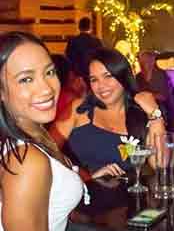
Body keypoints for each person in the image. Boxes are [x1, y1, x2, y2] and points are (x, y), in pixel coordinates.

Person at [0, 31, 174, 231]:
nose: (45, 88)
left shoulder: (35, 133)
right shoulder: (27, 159)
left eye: (49, 72)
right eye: (26, 79)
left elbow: (160, 165)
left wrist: (84, 175)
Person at [50, 47, 166, 179]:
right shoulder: (79, 109)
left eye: (108, 76)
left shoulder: (141, 114)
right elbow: (47, 151)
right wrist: (87, 177)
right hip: (83, 194)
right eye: (94, 79)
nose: (101, 86)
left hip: (126, 197)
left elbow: (160, 164)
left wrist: (155, 115)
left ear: (123, 76)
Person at [136, 51, 174, 133]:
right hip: (144, 108)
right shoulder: (138, 77)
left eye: (147, 61)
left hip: (163, 108)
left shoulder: (160, 75)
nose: (144, 64)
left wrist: (147, 96)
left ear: (153, 61)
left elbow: (164, 97)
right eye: (142, 61)